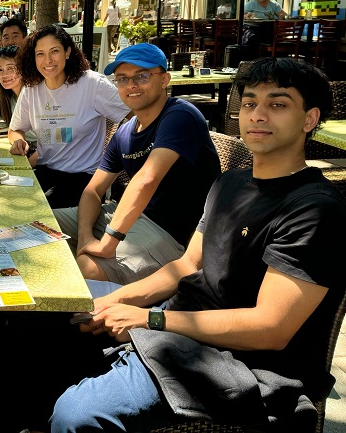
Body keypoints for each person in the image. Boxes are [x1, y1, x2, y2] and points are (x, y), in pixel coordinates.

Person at [49, 56, 346, 433]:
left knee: (78, 413)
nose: (257, 114)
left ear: (309, 119)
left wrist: (149, 318)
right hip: (177, 320)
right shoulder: (230, 184)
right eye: (251, 102)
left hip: (232, 363)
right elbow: (186, 265)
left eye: (278, 104)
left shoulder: (316, 211)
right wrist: (120, 300)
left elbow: (271, 327)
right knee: (48, 307)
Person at [53, 43, 221, 284]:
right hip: (126, 217)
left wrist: (108, 242)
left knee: (87, 269)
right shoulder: (126, 132)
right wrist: (85, 236)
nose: (130, 85)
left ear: (165, 80)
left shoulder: (180, 115)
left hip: (170, 234)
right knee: (39, 225)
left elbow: (147, 179)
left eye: (142, 76)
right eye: (122, 79)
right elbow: (93, 190)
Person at [9, 25, 130, 209]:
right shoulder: (31, 89)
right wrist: (18, 141)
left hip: (84, 177)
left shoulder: (92, 84)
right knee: (10, 203)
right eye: (40, 53)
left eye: (54, 51)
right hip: (45, 172)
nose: (48, 60)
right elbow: (15, 129)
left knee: (41, 212)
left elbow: (134, 113)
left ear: (67, 52)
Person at [0, 45, 22, 124]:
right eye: (0, 69)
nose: (4, 75)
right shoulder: (10, 98)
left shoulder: (34, 95)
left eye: (10, 68)